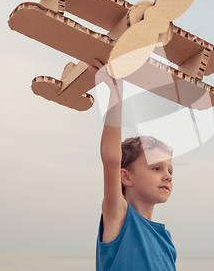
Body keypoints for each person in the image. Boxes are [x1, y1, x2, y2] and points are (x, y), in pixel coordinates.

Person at [88, 59, 177, 271]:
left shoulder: (166, 240)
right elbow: (110, 158)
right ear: (126, 177)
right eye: (156, 168)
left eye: (170, 170)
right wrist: (115, 92)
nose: (168, 176)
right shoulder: (118, 216)